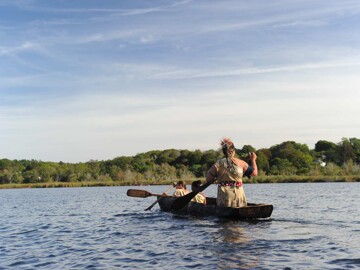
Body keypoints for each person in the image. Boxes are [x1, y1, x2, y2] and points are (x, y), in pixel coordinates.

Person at [206, 138, 258, 208]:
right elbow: (254, 173)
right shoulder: (241, 163)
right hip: (239, 195)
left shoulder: (218, 163)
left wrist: (216, 178)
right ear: (233, 150)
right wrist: (253, 160)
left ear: (224, 151)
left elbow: (208, 179)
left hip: (224, 196)